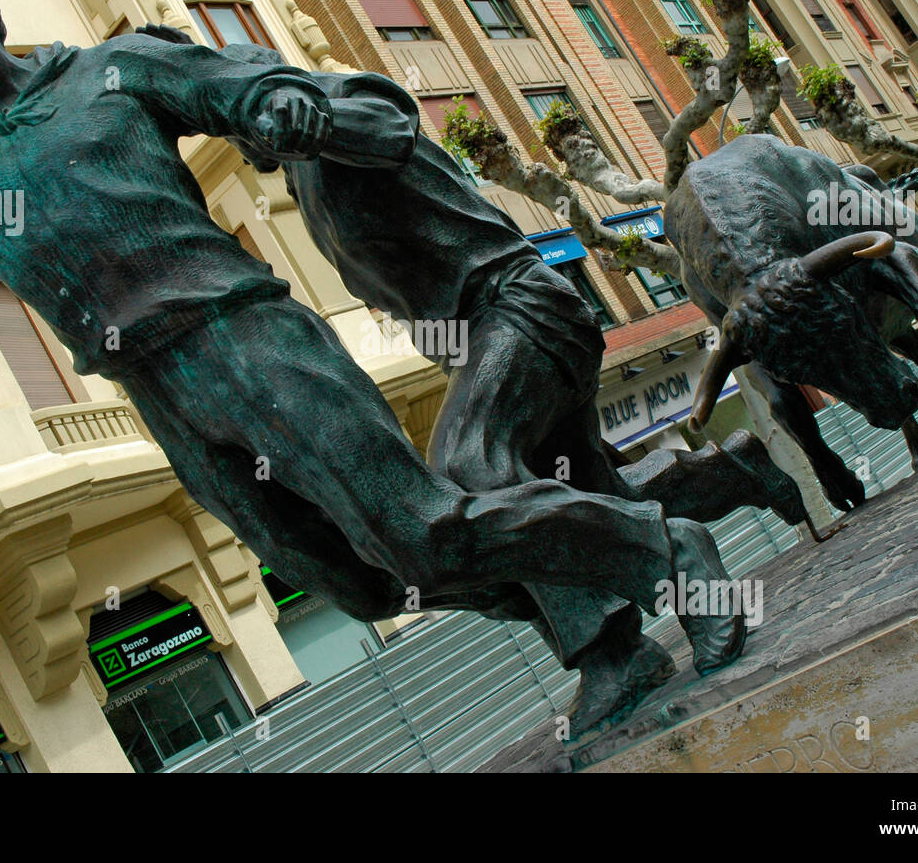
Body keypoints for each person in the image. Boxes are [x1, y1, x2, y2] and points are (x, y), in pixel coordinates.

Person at [0, 0, 744, 734]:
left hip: (243, 337)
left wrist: (288, 109)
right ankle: (609, 646)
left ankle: (665, 553)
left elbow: (279, 94)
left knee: (416, 532)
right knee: (364, 582)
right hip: (158, 392)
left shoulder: (114, 70)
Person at [210, 43, 804, 734]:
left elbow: (390, 126)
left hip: (518, 310)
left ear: (264, 87)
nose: (228, 133)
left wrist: (303, 114)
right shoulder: (302, 180)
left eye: (228, 114)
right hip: (490, 343)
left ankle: (649, 600)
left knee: (467, 478)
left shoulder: (339, 99)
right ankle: (732, 474)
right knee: (590, 506)